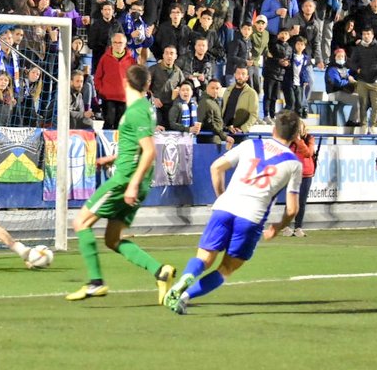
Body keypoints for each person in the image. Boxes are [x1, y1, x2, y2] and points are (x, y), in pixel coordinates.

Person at [163, 111, 303, 314]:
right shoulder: (293, 164)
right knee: (226, 268)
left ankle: (184, 281)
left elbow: (216, 167)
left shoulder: (250, 144)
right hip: (251, 216)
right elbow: (292, 209)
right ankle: (184, 296)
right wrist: (278, 227)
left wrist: (222, 196)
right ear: (295, 135)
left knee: (203, 258)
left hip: (225, 207)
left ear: (273, 129)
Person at [66, 64, 176, 303]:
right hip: (134, 179)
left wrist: (132, 184)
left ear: (125, 82)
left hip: (125, 180)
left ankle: (96, 282)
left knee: (80, 222)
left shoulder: (137, 111)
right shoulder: (145, 108)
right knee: (112, 240)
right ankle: (160, 271)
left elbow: (148, 151)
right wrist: (113, 157)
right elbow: (137, 145)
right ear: (147, 85)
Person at [284, 121, 316, 237]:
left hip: (306, 173)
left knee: (301, 202)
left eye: (299, 128)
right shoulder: (289, 140)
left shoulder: (309, 139)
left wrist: (299, 141)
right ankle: (286, 226)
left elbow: (308, 153)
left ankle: (298, 227)